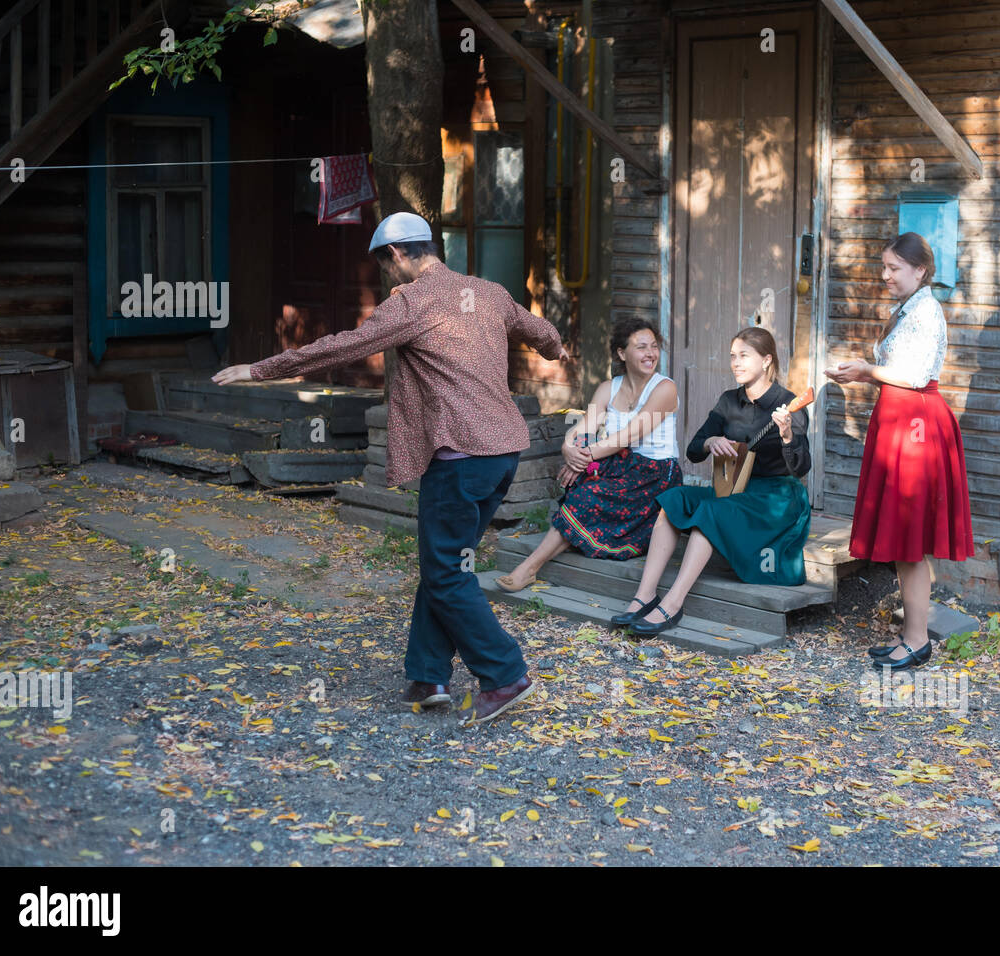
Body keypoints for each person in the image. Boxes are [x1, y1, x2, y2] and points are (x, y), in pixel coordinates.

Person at [212, 211, 566, 724]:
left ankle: (505, 674)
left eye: (385, 265)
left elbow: (345, 344)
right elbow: (544, 333)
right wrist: (554, 349)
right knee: (448, 564)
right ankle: (428, 676)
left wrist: (262, 369)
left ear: (397, 255)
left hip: (461, 457)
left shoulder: (412, 303)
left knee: (447, 572)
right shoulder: (486, 291)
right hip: (503, 454)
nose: (387, 275)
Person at [825, 231, 974, 670]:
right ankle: (912, 636)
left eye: (894, 268)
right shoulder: (909, 309)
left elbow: (913, 375)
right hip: (900, 420)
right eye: (885, 267)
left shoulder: (926, 311)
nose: (885, 275)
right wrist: (866, 375)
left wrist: (868, 370)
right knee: (904, 539)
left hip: (915, 426)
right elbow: (899, 372)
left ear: (920, 271)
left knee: (910, 536)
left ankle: (916, 640)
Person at [613, 327, 812, 636]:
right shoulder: (729, 401)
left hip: (776, 497)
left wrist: (786, 435)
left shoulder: (788, 405)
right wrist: (712, 442)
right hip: (734, 488)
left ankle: (673, 604)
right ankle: (645, 595)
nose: (736, 363)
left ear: (767, 359)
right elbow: (694, 449)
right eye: (733, 356)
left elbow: (800, 467)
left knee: (711, 513)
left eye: (744, 356)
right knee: (675, 499)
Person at [495, 318, 681, 590]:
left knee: (586, 493)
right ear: (621, 353)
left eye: (654, 346)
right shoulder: (609, 387)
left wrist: (584, 455)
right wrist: (569, 448)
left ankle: (529, 567)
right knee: (580, 482)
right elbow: (584, 429)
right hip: (621, 465)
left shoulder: (665, 388)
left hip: (655, 475)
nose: (650, 353)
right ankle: (546, 556)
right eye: (641, 347)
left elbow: (629, 435)